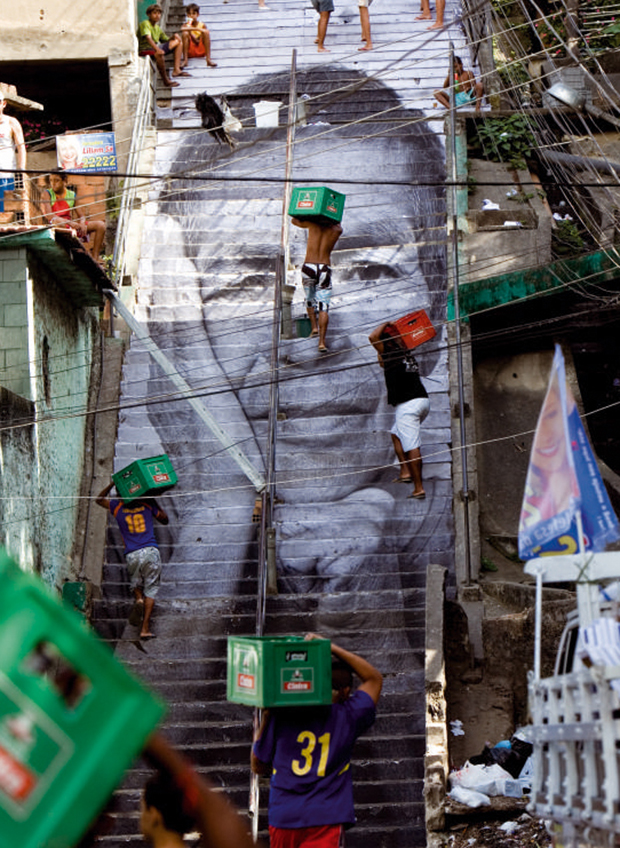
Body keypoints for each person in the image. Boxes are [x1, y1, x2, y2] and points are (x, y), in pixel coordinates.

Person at [251, 634, 382, 846]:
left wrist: (266, 715)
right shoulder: (349, 715)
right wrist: (331, 648)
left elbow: (257, 764)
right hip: (327, 816)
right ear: (346, 691)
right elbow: (374, 678)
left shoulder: (280, 715)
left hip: (284, 815)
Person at [96, 482, 169, 639]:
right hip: (150, 551)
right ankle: (145, 629)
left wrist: (112, 483)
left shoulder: (117, 506)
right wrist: (153, 501)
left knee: (136, 582)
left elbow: (99, 499)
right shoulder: (147, 503)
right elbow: (165, 520)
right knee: (151, 588)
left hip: (132, 553)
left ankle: (138, 598)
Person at [369, 321, 431, 499]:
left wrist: (385, 324)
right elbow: (382, 363)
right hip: (422, 401)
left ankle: (419, 488)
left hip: (408, 405)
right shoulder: (405, 352)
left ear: (385, 342)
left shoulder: (388, 351)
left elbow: (372, 337)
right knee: (396, 433)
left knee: (412, 444)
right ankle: (405, 472)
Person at [291, 216, 342, 353]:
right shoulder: (336, 230)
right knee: (324, 306)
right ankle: (321, 343)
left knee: (309, 298)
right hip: (324, 268)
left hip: (309, 266)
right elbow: (338, 224)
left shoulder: (312, 224)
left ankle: (314, 327)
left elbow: (294, 220)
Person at [41, 172, 106, 263]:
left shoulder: (71, 195)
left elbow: (81, 215)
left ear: (65, 181)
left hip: (70, 225)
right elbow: (49, 215)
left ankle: (95, 258)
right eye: (51, 180)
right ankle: (68, 256)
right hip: (57, 223)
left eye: (57, 180)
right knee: (60, 224)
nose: (53, 183)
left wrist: (82, 223)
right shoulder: (47, 194)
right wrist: (69, 223)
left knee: (101, 225)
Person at [138, 4, 186, 88]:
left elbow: (165, 40)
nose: (157, 15)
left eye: (159, 13)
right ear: (149, 14)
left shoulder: (157, 27)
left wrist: (173, 36)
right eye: (154, 13)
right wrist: (158, 49)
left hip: (154, 48)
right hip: (145, 49)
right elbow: (148, 38)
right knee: (159, 54)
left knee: (178, 42)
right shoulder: (145, 23)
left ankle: (176, 70)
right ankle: (166, 80)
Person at [0, 94, 26, 213]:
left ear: (3, 104)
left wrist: (21, 171)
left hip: (7, 174)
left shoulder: (11, 122)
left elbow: (21, 148)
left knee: (7, 210)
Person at [181, 4, 217, 69]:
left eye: (193, 14)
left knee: (206, 32)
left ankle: (208, 59)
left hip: (200, 49)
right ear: (187, 15)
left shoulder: (202, 25)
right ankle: (185, 60)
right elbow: (182, 29)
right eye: (189, 14)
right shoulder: (186, 25)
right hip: (190, 50)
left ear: (197, 15)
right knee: (185, 33)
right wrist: (195, 29)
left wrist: (199, 30)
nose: (191, 16)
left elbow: (198, 41)